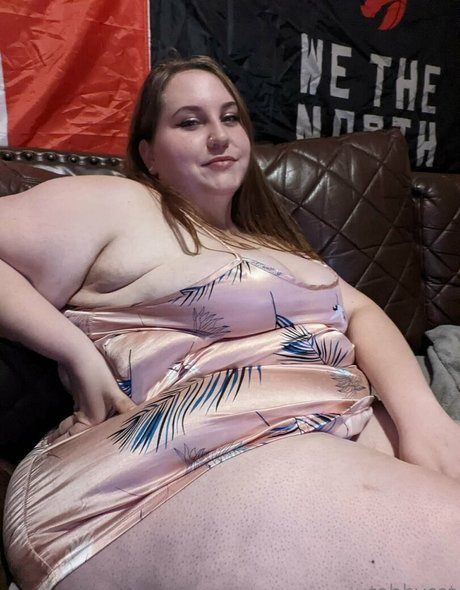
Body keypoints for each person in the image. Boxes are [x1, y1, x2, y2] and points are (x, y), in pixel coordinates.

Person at [1, 55, 460, 590]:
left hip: (335, 425)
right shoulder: (119, 202)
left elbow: (357, 310)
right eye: (189, 122)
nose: (218, 136)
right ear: (149, 154)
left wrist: (423, 417)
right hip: (171, 468)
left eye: (230, 117)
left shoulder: (271, 242)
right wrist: (74, 350)